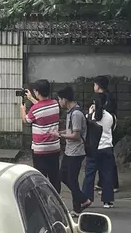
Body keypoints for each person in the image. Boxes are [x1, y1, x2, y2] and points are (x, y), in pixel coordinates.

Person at [53, 86, 92, 215]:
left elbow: (75, 135)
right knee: (63, 176)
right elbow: (70, 131)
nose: (59, 102)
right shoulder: (71, 112)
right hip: (70, 150)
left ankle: (80, 205)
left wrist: (60, 136)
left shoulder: (76, 114)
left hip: (77, 151)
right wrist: (59, 132)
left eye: (59, 99)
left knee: (72, 179)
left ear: (65, 99)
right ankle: (82, 200)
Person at [20, 79, 61, 193]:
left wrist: (22, 110)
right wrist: (32, 99)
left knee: (41, 177)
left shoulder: (35, 109)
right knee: (54, 176)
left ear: (37, 92)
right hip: (54, 147)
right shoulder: (55, 104)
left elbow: (26, 120)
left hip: (40, 149)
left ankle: (43, 199)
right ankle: (56, 197)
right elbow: (43, 107)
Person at [81, 93, 116, 208]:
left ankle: (87, 198)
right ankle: (107, 201)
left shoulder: (89, 116)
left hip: (93, 149)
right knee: (107, 174)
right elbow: (112, 129)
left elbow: (86, 128)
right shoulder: (110, 117)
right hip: (107, 148)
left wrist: (90, 113)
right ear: (105, 103)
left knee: (89, 174)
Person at [93, 75, 119, 193]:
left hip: (105, 128)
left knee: (106, 157)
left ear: (98, 86)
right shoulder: (109, 96)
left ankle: (111, 184)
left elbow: (101, 114)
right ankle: (103, 182)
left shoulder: (104, 97)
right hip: (107, 127)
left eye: (94, 84)